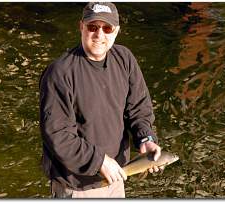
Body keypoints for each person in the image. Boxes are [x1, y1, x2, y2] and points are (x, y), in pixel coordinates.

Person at [39, 2, 163, 198]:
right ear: (81, 26)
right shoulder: (60, 73)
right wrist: (100, 162)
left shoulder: (125, 59)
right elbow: (58, 135)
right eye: (92, 27)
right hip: (76, 187)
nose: (99, 35)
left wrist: (146, 138)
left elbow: (139, 109)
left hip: (117, 176)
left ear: (116, 31)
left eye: (107, 28)